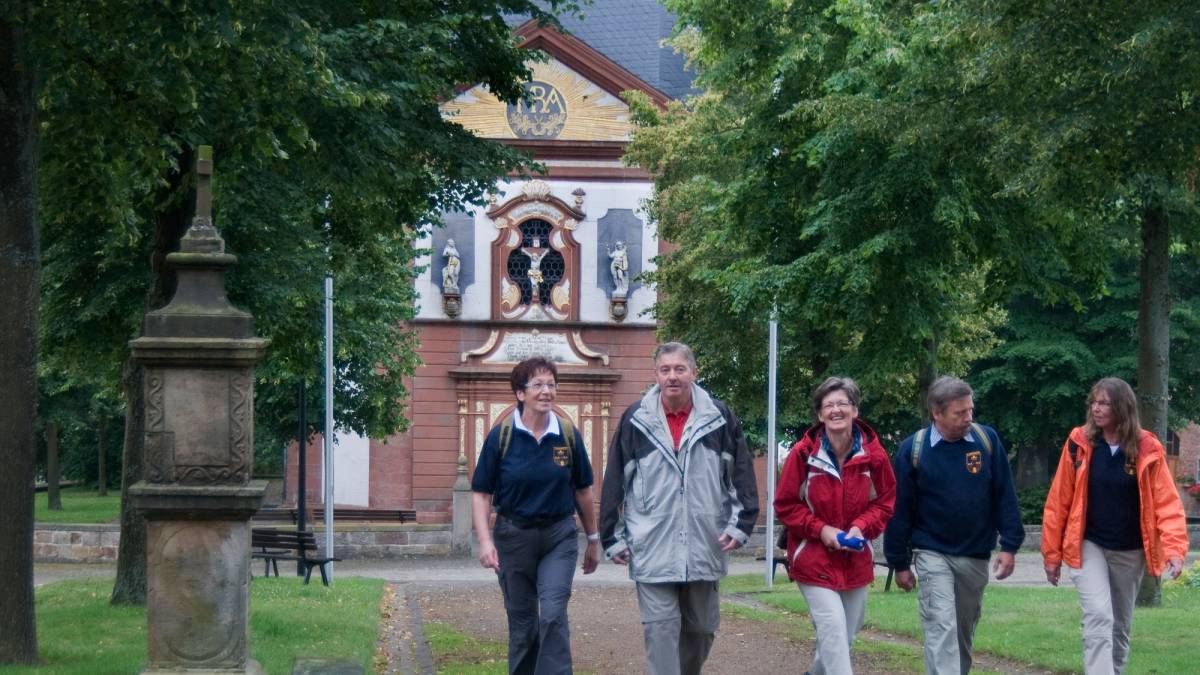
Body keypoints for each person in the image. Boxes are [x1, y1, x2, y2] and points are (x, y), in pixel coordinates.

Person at [598, 341, 759, 675]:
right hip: (651, 542)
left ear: (693, 373)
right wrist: (611, 536)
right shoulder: (635, 419)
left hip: (705, 542)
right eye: (665, 369)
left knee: (701, 630)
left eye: (679, 369)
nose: (672, 376)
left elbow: (741, 475)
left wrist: (741, 524)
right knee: (661, 630)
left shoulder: (719, 417)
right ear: (656, 374)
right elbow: (615, 480)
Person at [1041, 377, 1188, 675]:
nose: (1096, 408)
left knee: (1120, 624)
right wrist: (1051, 555)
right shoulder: (1078, 442)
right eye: (1093, 402)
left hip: (1130, 550)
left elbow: (1167, 503)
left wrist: (1174, 549)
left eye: (1104, 402)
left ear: (1123, 406)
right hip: (1089, 544)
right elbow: (1059, 502)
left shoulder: (1148, 447)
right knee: (1098, 615)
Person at [883, 376, 1024, 675]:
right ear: (937, 412)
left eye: (970, 410)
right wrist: (900, 562)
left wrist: (1010, 545)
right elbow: (900, 511)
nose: (968, 418)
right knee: (941, 627)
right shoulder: (914, 450)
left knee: (961, 633)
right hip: (932, 551)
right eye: (960, 413)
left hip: (974, 555)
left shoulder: (987, 441)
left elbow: (1004, 495)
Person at [471, 357, 601, 675]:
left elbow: (583, 491)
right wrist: (486, 542)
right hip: (513, 537)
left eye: (551, 384)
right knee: (523, 621)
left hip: (558, 535)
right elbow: (481, 493)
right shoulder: (500, 437)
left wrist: (594, 539)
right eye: (538, 385)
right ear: (520, 393)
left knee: (553, 614)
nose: (547, 391)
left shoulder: (567, 436)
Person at [776, 377, 895, 675]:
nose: (836, 410)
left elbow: (885, 502)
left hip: (856, 560)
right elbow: (786, 505)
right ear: (820, 414)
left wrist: (860, 526)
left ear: (855, 410)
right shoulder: (803, 455)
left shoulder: (875, 457)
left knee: (845, 638)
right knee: (832, 628)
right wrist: (823, 531)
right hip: (812, 557)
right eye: (829, 405)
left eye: (843, 403)